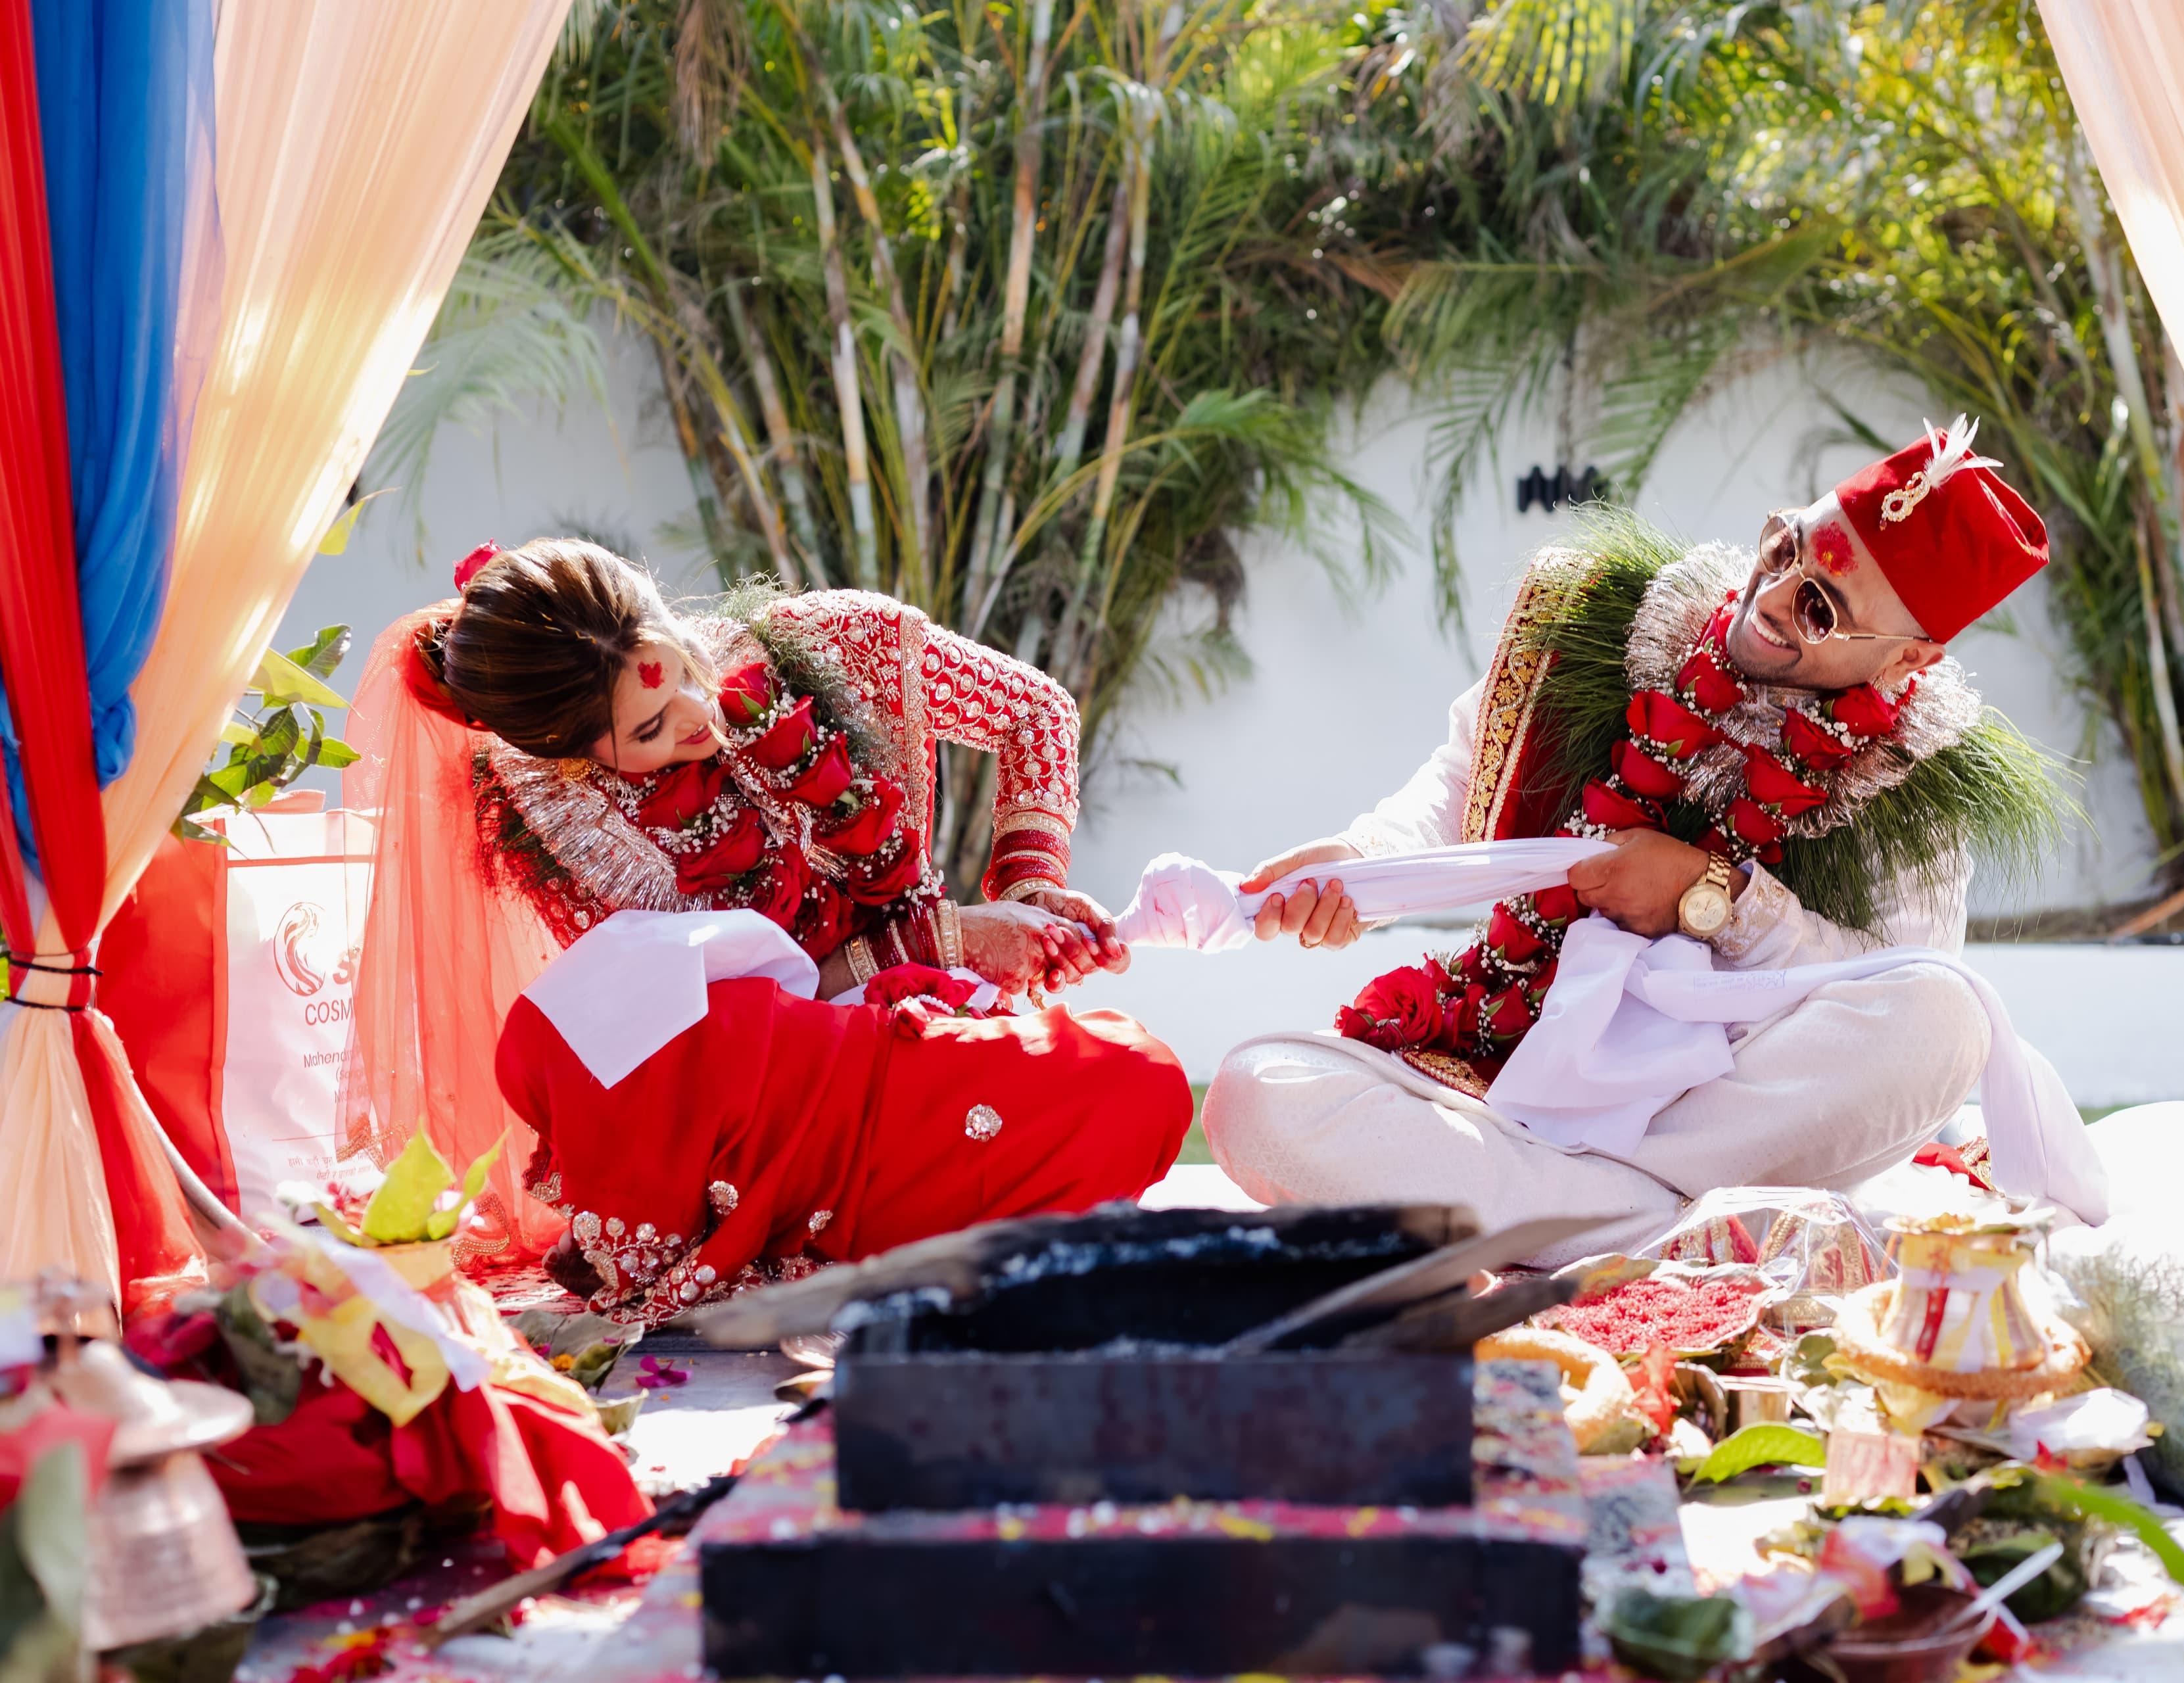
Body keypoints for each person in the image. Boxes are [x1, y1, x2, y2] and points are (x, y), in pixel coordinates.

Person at [1202, 421, 2072, 1258]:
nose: (1769, 600)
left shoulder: (1909, 786)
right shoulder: (1604, 620)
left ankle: (1566, 1213)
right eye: (1784, 548)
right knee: (1257, 1097)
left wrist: (1715, 901)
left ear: (1905, 664)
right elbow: (1464, 782)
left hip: (1709, 1107)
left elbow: (1893, 976)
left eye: (1818, 608)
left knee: (1945, 1021)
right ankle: (1657, 1230)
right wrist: (1361, 865)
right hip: (1511, 1065)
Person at [342, 539, 1189, 1300]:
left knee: (1139, 1081)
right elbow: (711, 1038)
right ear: (571, 759)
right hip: (794, 1111)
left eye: (674, 664)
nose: (691, 712)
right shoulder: (572, 822)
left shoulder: (835, 642)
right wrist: (952, 937)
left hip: (933, 1034)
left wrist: (1031, 891)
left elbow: (1037, 713)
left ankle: (916, 1221)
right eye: (649, 728)